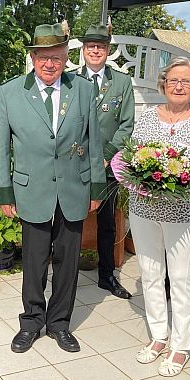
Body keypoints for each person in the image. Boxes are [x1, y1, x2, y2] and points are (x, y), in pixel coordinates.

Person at [0, 22, 106, 354]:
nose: (49, 64)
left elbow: (95, 143)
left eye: (56, 58)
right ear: (33, 57)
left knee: (68, 262)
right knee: (33, 261)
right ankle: (31, 322)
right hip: (31, 190)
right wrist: (4, 191)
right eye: (42, 57)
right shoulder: (11, 91)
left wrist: (96, 189)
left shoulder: (83, 90)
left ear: (65, 58)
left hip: (74, 190)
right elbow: (3, 148)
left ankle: (59, 324)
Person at [128, 56, 190, 376]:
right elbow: (131, 159)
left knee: (182, 281)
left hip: (186, 214)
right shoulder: (146, 118)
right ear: (164, 84)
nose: (179, 86)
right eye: (173, 80)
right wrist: (138, 177)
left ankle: (181, 345)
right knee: (150, 274)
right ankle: (158, 336)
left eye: (186, 81)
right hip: (145, 210)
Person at [74, 22, 134, 299]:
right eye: (90, 46)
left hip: (107, 166)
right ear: (83, 50)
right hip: (74, 164)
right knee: (68, 219)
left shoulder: (121, 82)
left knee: (107, 222)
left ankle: (107, 275)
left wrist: (106, 156)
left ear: (108, 50)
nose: (95, 51)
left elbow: (126, 125)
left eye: (100, 47)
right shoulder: (70, 78)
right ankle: (67, 273)